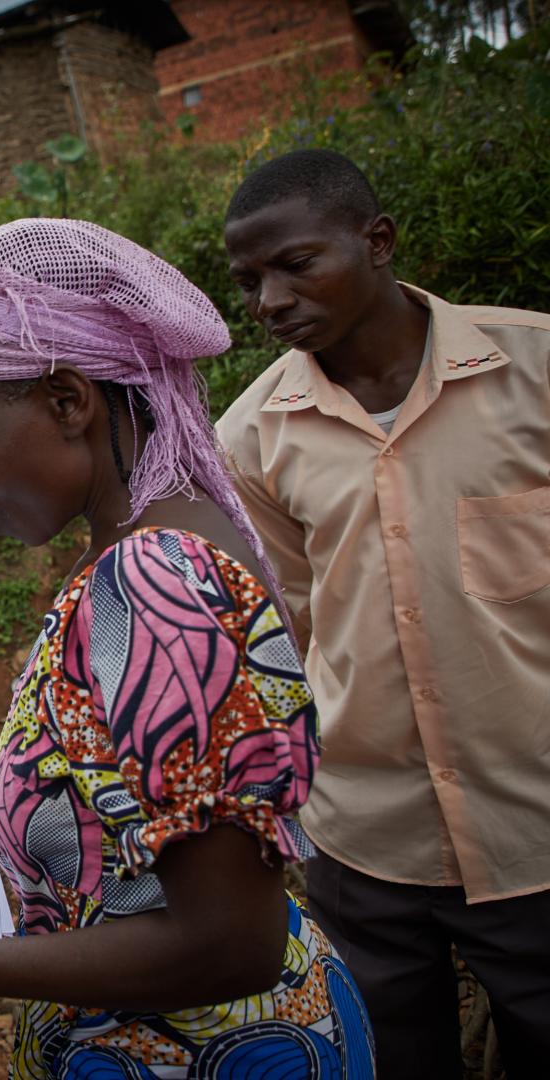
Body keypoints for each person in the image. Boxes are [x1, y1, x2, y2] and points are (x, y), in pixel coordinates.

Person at [0, 219, 374, 1077]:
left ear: (68, 402)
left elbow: (228, 941)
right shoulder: (158, 543)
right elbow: (139, 783)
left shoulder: (157, 581)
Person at [216, 148, 550, 1078]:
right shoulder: (251, 438)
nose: (269, 300)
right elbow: (288, 635)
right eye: (249, 281)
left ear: (378, 241)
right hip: (365, 841)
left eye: (295, 265)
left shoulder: (535, 369)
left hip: (537, 825)